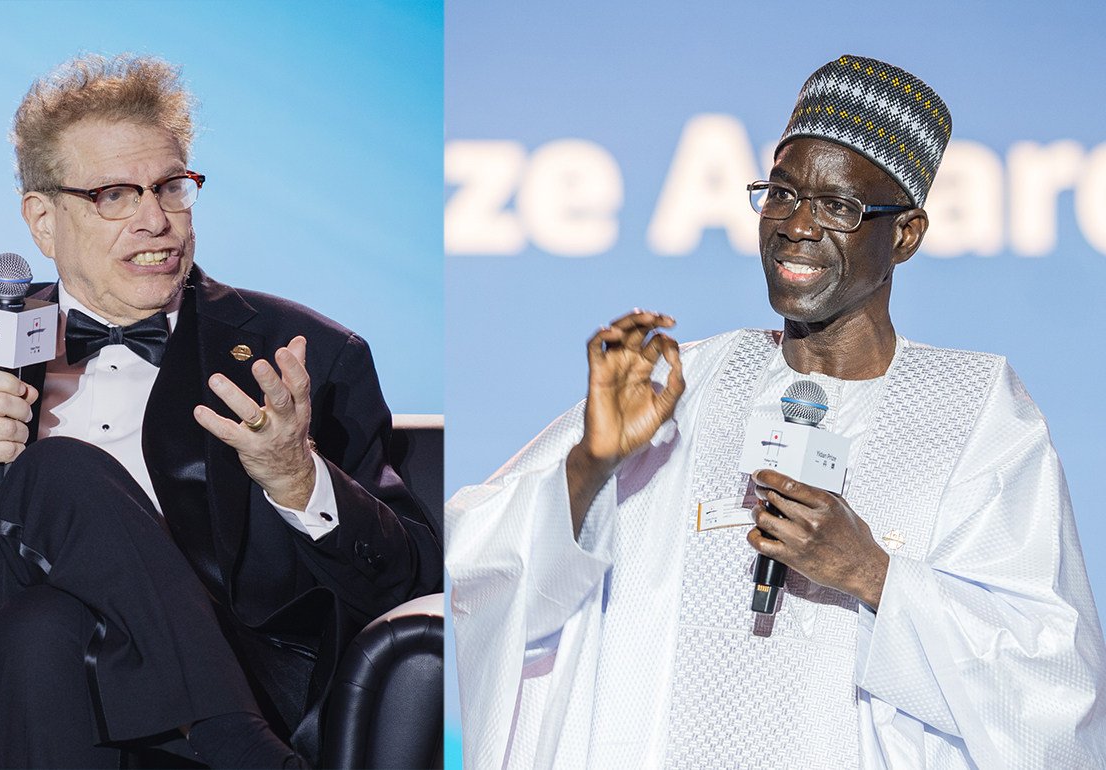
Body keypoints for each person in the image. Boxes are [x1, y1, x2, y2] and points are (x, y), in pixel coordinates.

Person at [447, 54, 1106, 768]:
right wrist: (591, 466)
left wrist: (872, 574)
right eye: (782, 194)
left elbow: (1052, 693)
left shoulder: (975, 411)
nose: (796, 226)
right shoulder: (676, 387)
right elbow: (481, 572)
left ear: (907, 235)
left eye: (839, 206)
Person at [0, 54, 441, 769]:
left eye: (172, 187)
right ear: (43, 219)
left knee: (45, 633)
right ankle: (233, 741)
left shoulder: (303, 353)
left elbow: (413, 585)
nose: (155, 220)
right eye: (113, 194)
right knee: (59, 472)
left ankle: (225, 725)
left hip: (232, 670)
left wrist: (297, 479)